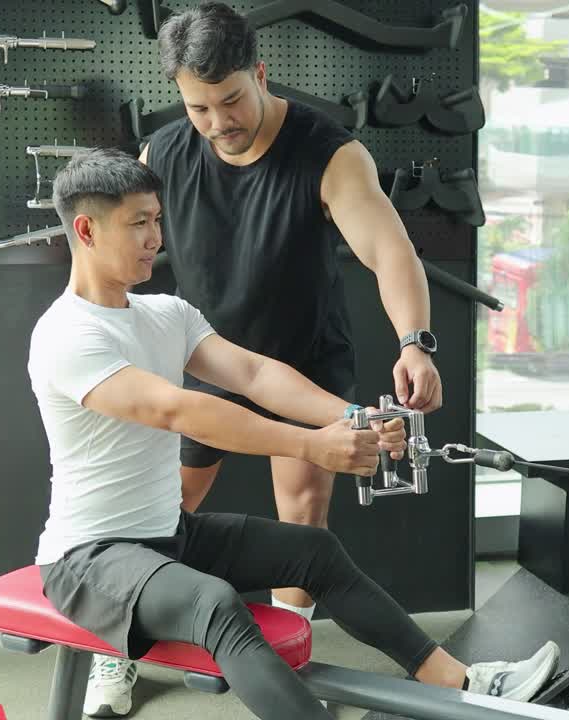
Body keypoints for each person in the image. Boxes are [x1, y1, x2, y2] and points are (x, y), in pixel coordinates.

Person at [30, 147, 560, 719]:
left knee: (314, 553)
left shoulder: (167, 315)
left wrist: (353, 418)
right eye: (138, 223)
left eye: (157, 219)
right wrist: (310, 444)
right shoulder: (67, 335)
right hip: (89, 558)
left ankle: (462, 682)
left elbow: (256, 374)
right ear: (86, 229)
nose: (156, 237)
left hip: (167, 535)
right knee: (216, 605)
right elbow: (178, 411)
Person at [139, 0, 443, 627]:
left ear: (261, 73)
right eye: (200, 108)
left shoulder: (330, 154)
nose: (219, 122)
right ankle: (129, 640)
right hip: (208, 360)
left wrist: (415, 342)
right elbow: (120, 260)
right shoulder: (163, 155)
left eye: (231, 100)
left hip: (303, 360)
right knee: (160, 509)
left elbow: (390, 252)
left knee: (302, 519)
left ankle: (289, 652)